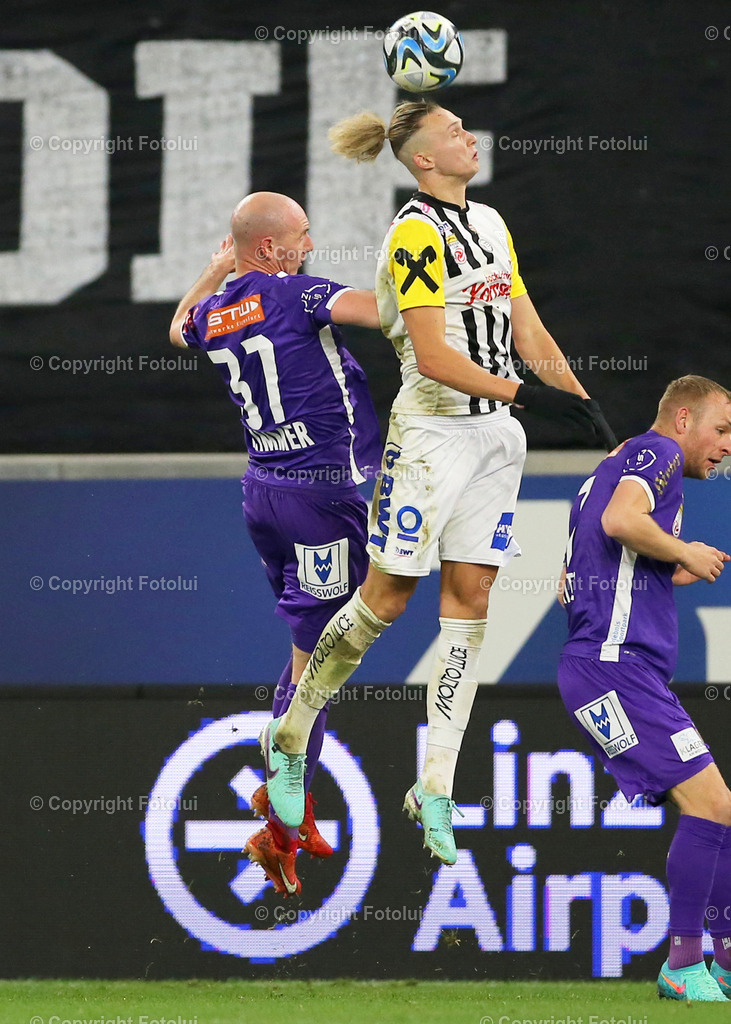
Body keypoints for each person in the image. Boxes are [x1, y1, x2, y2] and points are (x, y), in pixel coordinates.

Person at [259, 100, 616, 866]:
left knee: (473, 600)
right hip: (431, 433)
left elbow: (527, 329)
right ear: (422, 160)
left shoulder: (489, 224)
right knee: (388, 596)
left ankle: (436, 786)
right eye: (452, 132)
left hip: (495, 439)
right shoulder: (414, 234)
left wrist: (587, 410)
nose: (468, 137)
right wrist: (531, 395)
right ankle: (290, 735)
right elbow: (430, 355)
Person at [169, 191, 383, 896]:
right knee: (321, 661)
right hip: (322, 499)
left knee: (313, 654)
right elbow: (385, 312)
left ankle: (284, 812)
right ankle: (282, 795)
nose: (310, 245)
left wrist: (214, 271)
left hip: (263, 494)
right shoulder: (298, 294)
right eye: (300, 236)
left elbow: (178, 329)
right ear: (270, 249)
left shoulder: (218, 311)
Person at [557, 374, 731, 1002]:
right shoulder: (655, 454)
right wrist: (684, 549)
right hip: (614, 666)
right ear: (683, 419)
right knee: (712, 807)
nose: (727, 446)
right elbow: (621, 520)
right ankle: (684, 966)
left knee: (720, 810)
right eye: (722, 429)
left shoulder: (618, 464)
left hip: (605, 669)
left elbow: (579, 570)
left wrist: (669, 569)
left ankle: (720, 962)